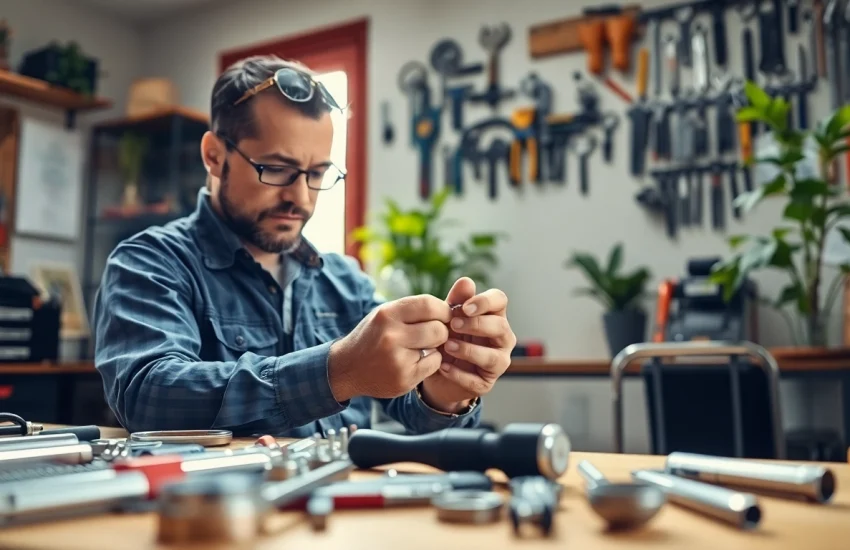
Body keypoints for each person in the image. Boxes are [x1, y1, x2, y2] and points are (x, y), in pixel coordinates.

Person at [93, 55, 517, 438]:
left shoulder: (344, 281)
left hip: (342, 516)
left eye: (318, 173)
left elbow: (412, 415)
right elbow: (146, 395)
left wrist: (444, 392)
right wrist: (337, 372)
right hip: (222, 512)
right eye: (277, 169)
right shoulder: (149, 263)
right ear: (214, 156)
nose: (302, 197)